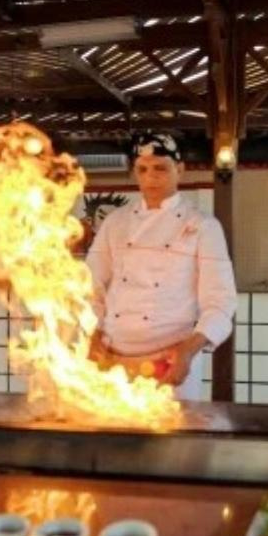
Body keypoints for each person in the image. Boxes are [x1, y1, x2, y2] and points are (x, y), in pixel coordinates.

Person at [85, 132, 237, 400]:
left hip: (170, 361)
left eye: (160, 168)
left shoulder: (202, 225)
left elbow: (220, 301)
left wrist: (188, 350)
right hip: (112, 359)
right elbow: (91, 285)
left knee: (172, 428)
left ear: (180, 170)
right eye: (142, 169)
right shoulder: (115, 222)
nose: (150, 177)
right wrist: (92, 336)